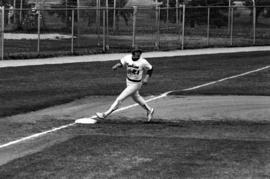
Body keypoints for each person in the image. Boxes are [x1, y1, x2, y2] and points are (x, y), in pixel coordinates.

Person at [95, 47, 154, 121]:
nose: (139, 53)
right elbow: (121, 63)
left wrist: (146, 78)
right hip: (128, 82)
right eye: (137, 52)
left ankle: (105, 114)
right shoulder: (127, 58)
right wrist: (117, 65)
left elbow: (150, 68)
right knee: (136, 98)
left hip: (136, 84)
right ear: (133, 52)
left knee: (120, 99)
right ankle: (149, 110)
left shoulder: (143, 61)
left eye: (139, 52)